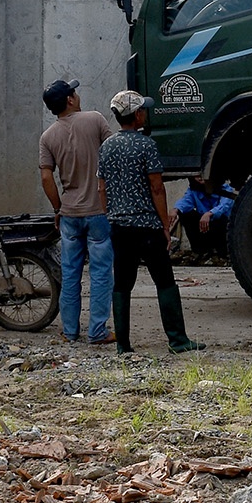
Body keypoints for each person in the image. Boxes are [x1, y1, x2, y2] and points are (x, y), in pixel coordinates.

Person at [97, 90, 205, 356]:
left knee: (122, 284)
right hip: (147, 226)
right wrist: (164, 226)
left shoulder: (106, 146)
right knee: (164, 281)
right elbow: (157, 188)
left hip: (120, 227)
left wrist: (110, 215)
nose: (146, 112)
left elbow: (102, 188)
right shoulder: (147, 145)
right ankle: (177, 340)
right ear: (136, 115)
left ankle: (123, 345)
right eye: (143, 109)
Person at [38, 78, 116, 344]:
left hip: (70, 212)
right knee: (101, 273)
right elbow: (113, 155)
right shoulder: (95, 120)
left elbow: (47, 178)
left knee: (70, 274)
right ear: (70, 99)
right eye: (74, 92)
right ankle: (97, 331)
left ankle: (69, 331)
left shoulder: (48, 136)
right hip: (99, 210)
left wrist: (58, 207)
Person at [173, 178, 235, 260]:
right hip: (204, 228)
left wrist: (209, 214)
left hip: (221, 228)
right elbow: (185, 201)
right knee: (185, 214)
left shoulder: (226, 189)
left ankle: (222, 253)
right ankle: (200, 251)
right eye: (197, 175)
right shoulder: (194, 190)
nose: (200, 177)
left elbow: (224, 206)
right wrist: (175, 210)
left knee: (222, 219)